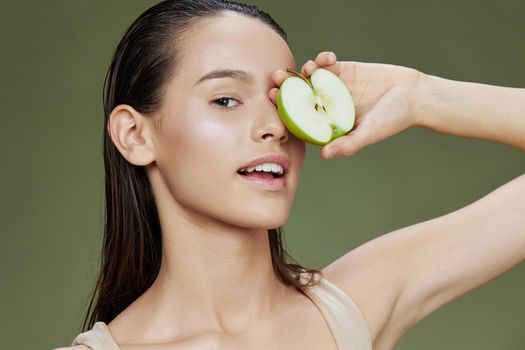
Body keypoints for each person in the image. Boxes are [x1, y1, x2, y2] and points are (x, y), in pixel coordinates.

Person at [54, 0, 525, 349]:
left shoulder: (357, 303)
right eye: (226, 100)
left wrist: (422, 95)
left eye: (284, 98)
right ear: (135, 135)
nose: (275, 126)